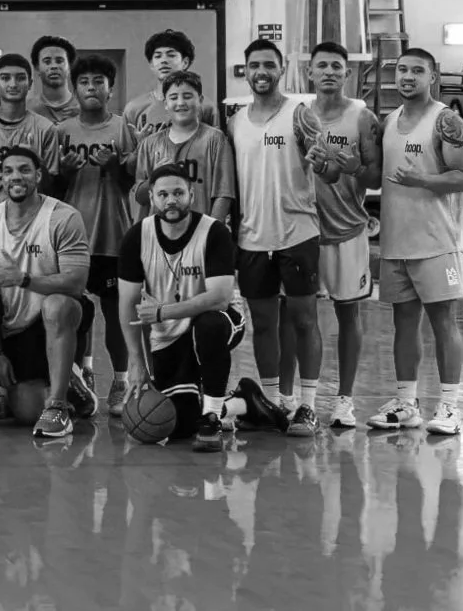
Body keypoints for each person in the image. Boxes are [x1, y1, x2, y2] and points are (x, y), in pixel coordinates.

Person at [119, 165, 289, 452]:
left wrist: (163, 312)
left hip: (222, 320)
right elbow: (126, 304)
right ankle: (244, 403)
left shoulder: (214, 231)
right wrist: (135, 363)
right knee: (179, 425)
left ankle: (211, 417)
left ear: (192, 194)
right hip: (169, 335)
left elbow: (220, 298)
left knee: (208, 325)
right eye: (163, 194)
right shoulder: (137, 237)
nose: (171, 200)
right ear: (151, 198)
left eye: (178, 193)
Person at [368, 48, 463, 435]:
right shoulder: (389, 121)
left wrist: (423, 181)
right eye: (401, 70)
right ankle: (406, 403)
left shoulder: (446, 121)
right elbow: (376, 176)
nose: (407, 76)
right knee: (403, 324)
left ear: (433, 77)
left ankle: (449, 407)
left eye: (417, 70)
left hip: (436, 242)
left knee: (444, 322)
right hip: (396, 242)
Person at [231, 38, 324, 436]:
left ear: (282, 68)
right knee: (264, 325)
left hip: (297, 233)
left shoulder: (299, 115)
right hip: (253, 237)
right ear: (246, 70)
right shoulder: (235, 121)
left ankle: (308, 404)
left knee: (304, 320)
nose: (261, 71)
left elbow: (329, 170)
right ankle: (272, 402)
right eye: (254, 65)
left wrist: (327, 162)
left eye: (269, 64)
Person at [0, 146, 92, 438]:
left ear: (38, 175)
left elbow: (76, 283)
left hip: (61, 314)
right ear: (1, 177)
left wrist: (23, 279)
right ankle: (66, 382)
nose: (16, 177)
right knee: (25, 413)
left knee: (56, 306)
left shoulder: (63, 217)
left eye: (24, 170)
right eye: (8, 171)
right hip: (15, 327)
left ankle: (59, 405)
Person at [53, 54, 138, 412]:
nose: (91, 87)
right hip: (71, 240)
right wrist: (64, 173)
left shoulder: (124, 130)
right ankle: (83, 375)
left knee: (117, 314)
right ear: (75, 89)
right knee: (77, 312)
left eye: (99, 82)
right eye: (84, 82)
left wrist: (116, 166)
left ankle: (120, 381)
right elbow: (49, 190)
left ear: (110, 88)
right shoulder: (61, 132)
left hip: (112, 236)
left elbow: (135, 184)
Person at [304, 42, 382, 429]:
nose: (330, 71)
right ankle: (298, 399)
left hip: (348, 229)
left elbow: (375, 175)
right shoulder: (300, 116)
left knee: (348, 315)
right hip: (303, 231)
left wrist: (353, 168)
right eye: (323, 66)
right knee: (301, 318)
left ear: (347, 73)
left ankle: (345, 400)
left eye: (337, 65)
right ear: (310, 73)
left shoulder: (362, 117)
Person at [132, 71, 236, 223]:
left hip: (201, 232)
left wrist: (212, 233)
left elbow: (224, 194)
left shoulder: (215, 140)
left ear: (200, 100)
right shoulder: (149, 144)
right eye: (173, 98)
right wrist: (155, 176)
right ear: (166, 104)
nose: (180, 103)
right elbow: (140, 197)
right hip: (160, 235)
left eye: (187, 96)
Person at [0, 53, 62, 210]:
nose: (13, 84)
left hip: (34, 220)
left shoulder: (46, 129)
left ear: (30, 84)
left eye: (20, 78)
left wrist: (37, 162)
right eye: (5, 78)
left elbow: (52, 191)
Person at [122, 29, 219, 137]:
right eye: (158, 56)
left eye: (171, 55)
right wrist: (143, 146)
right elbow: (126, 153)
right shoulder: (134, 109)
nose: (164, 60)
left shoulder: (205, 107)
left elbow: (216, 149)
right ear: (151, 65)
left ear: (185, 62)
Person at [29, 35, 80, 123]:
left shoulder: (86, 110)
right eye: (47, 62)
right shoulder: (26, 110)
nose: (54, 66)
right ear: (37, 68)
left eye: (59, 61)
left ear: (70, 66)